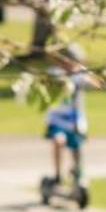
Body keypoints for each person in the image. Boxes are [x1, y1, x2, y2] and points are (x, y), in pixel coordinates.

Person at [42, 48, 91, 191]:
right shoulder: (54, 74)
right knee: (59, 140)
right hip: (57, 118)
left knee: (76, 146)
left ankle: (77, 173)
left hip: (74, 118)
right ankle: (58, 175)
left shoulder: (80, 75)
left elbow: (93, 82)